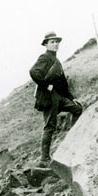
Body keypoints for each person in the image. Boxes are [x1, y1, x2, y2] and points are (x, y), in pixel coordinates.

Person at [29, 32, 82, 167]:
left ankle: (71, 141)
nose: (55, 44)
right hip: (48, 98)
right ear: (46, 44)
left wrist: (72, 98)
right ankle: (44, 159)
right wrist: (46, 85)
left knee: (77, 109)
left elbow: (63, 83)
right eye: (52, 42)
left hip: (59, 96)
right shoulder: (45, 57)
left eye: (57, 42)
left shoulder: (56, 60)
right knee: (49, 126)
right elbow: (34, 72)